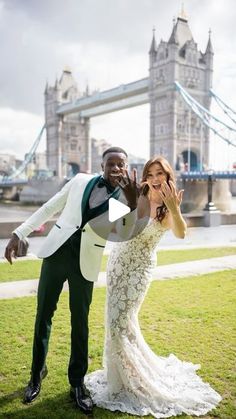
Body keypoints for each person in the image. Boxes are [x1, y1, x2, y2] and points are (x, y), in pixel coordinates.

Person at [4, 147, 139, 414]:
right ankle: (35, 374)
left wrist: (133, 204)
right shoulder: (78, 181)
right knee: (43, 315)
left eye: (120, 165)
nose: (115, 169)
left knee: (80, 322)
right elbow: (50, 207)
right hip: (55, 254)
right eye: (110, 164)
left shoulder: (125, 198)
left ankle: (76, 383)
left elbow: (124, 233)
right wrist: (19, 233)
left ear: (126, 167)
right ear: (101, 166)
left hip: (85, 263)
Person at [85, 156, 222, 418]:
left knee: (120, 322)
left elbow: (181, 234)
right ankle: (122, 378)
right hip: (118, 263)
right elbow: (113, 221)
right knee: (116, 323)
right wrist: (123, 197)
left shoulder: (169, 205)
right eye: (152, 172)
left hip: (140, 270)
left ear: (168, 176)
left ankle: (134, 379)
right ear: (146, 175)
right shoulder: (138, 193)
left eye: (161, 173)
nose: (156, 178)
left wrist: (174, 207)